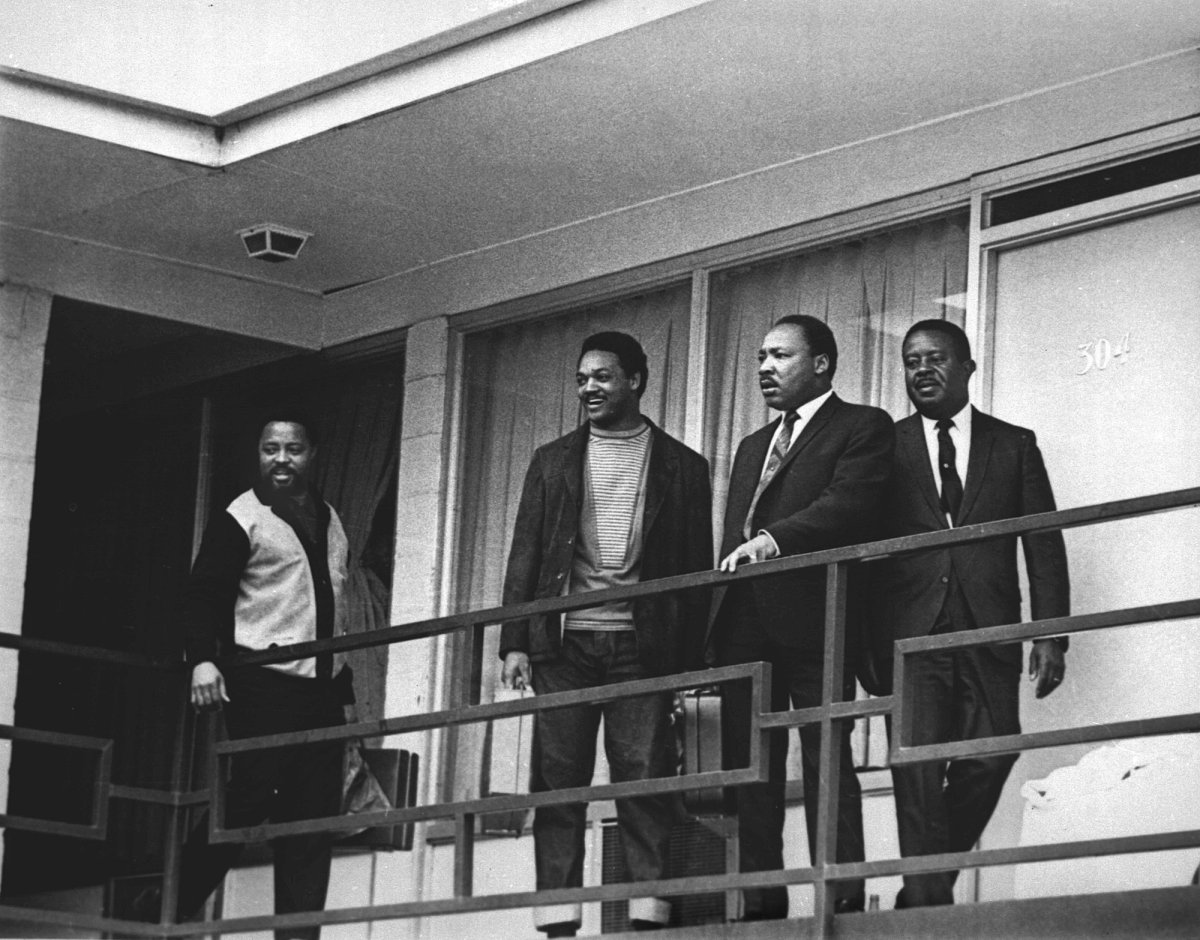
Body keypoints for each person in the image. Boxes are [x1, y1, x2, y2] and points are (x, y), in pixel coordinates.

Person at [499, 332, 712, 937]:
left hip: (643, 651)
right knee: (556, 782)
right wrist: (515, 639)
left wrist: (688, 662)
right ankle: (558, 920)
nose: (589, 388)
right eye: (581, 378)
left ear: (636, 381)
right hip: (564, 648)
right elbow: (526, 554)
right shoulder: (551, 460)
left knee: (644, 779)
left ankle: (648, 914)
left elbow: (695, 571)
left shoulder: (683, 466)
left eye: (602, 377)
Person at [873, 319, 1069, 908]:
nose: (922, 370)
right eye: (911, 361)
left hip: (990, 626)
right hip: (912, 634)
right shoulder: (886, 446)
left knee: (993, 752)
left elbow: (1041, 540)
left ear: (966, 368)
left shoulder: (1013, 444)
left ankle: (923, 891)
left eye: (935, 358)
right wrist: (864, 648)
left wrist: (1049, 634)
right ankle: (928, 908)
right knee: (915, 770)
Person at [706, 314, 893, 920]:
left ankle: (839, 902)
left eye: (780, 355)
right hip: (745, 625)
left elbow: (849, 506)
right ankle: (761, 905)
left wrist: (771, 541)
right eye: (760, 355)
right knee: (751, 772)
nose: (764, 367)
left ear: (821, 363)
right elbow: (730, 539)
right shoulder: (751, 446)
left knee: (827, 764)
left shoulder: (862, 425)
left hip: (820, 620)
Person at [174, 415, 353, 940]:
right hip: (264, 683)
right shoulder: (241, 515)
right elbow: (203, 593)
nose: (281, 459)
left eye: (293, 449)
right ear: (258, 453)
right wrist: (203, 659)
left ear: (311, 452)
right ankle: (169, 906)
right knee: (249, 802)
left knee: (311, 822)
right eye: (270, 448)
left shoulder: (330, 516)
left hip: (322, 691)